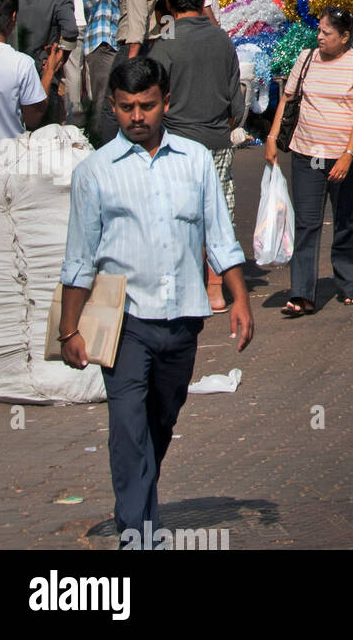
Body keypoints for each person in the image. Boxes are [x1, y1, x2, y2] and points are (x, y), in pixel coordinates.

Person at [58, 57, 253, 543]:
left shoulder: (195, 161)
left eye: (147, 105)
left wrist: (240, 300)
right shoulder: (95, 172)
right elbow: (78, 259)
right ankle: (138, 532)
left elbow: (221, 238)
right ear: (113, 107)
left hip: (183, 319)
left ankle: (141, 498)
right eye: (126, 108)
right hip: (121, 322)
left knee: (159, 423)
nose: (137, 116)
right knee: (127, 429)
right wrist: (69, 330)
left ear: (166, 103)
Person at [266, 6, 353, 315]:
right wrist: (273, 138)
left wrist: (348, 154)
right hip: (308, 156)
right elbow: (288, 99)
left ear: (344, 37)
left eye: (326, 33)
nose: (320, 37)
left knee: (346, 220)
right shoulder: (306, 59)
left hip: (346, 160)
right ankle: (302, 293)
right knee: (307, 222)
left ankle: (351, 283)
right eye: (319, 31)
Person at [147, 0, 244, 314]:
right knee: (216, 214)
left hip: (176, 141)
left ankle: (184, 284)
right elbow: (238, 105)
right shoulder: (221, 39)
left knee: (178, 215)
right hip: (217, 140)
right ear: (203, 1)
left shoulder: (167, 40)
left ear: (171, 5)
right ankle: (215, 288)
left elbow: (151, 92)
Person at [0, 0, 55, 141]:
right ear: (13, 17)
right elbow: (33, 118)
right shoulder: (22, 64)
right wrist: (49, 72)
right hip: (9, 157)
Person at [14, 0, 77, 122]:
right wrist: (60, 60)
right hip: (44, 74)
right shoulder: (59, 2)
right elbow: (71, 32)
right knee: (45, 134)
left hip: (15, 74)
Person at [80, 0, 127, 147]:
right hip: (101, 44)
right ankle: (100, 145)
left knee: (107, 98)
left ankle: (103, 141)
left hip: (111, 44)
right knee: (102, 100)